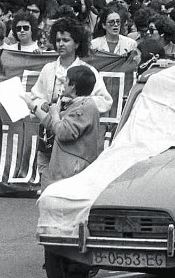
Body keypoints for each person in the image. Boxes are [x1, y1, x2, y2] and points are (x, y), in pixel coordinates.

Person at [29, 17, 113, 189]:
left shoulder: (87, 71)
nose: (61, 44)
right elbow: (35, 96)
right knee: (47, 186)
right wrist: (45, 105)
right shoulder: (48, 69)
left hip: (72, 146)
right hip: (48, 137)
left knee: (68, 190)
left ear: (77, 43)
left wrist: (76, 103)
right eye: (58, 40)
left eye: (66, 40)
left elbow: (105, 101)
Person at [23, 66, 102, 190]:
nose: (63, 84)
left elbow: (63, 132)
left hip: (73, 171)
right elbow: (53, 124)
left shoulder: (85, 107)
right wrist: (33, 107)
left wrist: (55, 114)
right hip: (64, 169)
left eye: (66, 80)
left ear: (73, 86)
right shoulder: (76, 105)